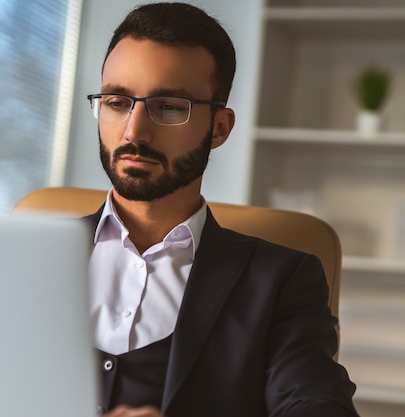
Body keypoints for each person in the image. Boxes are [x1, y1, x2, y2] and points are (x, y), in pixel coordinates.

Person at [85, 2, 359, 416]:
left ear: (219, 128)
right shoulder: (23, 259)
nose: (134, 131)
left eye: (170, 107)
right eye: (118, 101)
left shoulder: (281, 279)